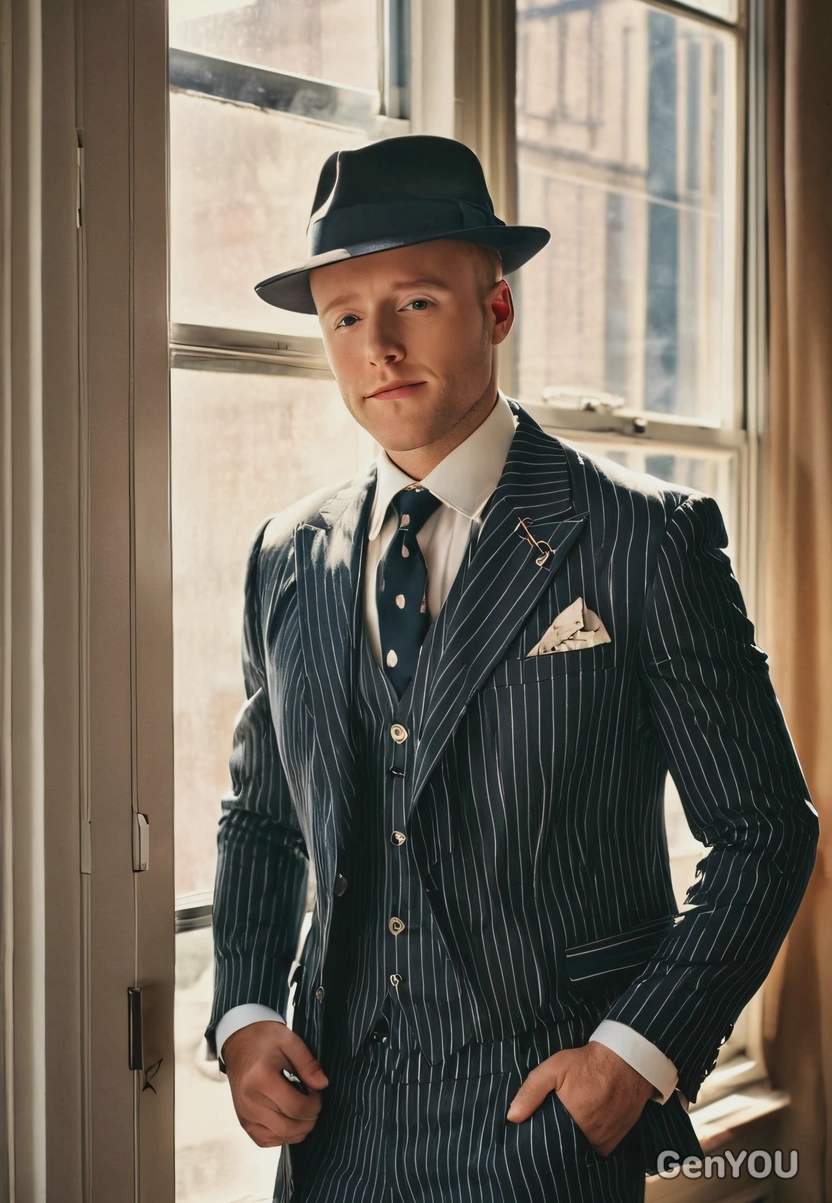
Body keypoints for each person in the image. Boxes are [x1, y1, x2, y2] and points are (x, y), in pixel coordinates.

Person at [203, 135, 819, 1203]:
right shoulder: (286, 555)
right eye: (344, 317)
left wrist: (632, 1055)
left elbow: (766, 830)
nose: (378, 347)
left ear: (496, 309)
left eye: (416, 302)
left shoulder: (643, 540)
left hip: (547, 1124)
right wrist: (246, 1015)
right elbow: (261, 819)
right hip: (332, 1130)